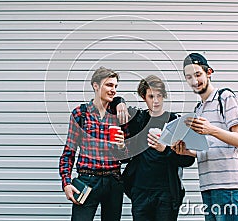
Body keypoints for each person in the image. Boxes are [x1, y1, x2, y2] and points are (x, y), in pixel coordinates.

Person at [173, 53, 238, 221]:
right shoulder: (198, 109)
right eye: (189, 77)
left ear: (209, 72)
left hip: (229, 187)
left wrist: (211, 129)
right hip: (208, 185)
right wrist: (187, 152)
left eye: (198, 74)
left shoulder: (225, 97)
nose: (194, 81)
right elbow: (206, 149)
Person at [117, 75, 195, 221]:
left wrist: (164, 149)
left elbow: (188, 160)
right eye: (151, 96)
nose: (156, 100)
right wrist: (119, 102)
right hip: (140, 191)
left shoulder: (175, 121)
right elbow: (125, 158)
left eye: (159, 96)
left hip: (166, 193)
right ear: (143, 96)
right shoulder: (137, 120)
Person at [59, 67, 127, 221]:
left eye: (115, 86)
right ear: (95, 85)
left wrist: (122, 146)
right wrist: (66, 183)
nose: (113, 90)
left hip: (113, 181)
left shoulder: (119, 115)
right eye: (109, 85)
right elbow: (68, 152)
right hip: (87, 181)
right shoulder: (80, 114)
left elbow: (125, 157)